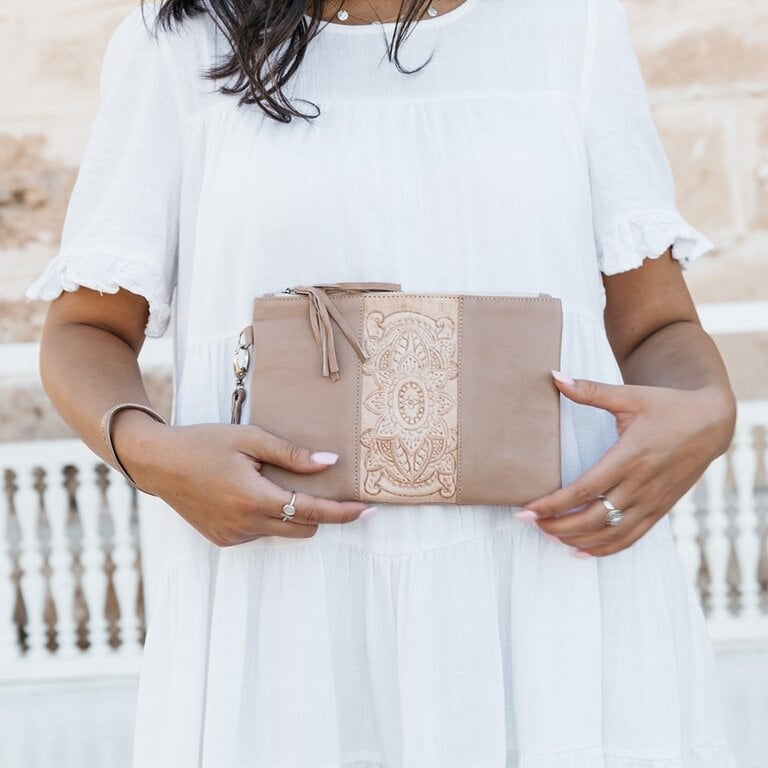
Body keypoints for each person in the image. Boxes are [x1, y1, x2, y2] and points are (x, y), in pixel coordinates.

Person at [26, 0, 740, 765]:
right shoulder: (176, 47)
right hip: (286, 602)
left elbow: (656, 328)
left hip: (550, 595)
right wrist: (150, 454)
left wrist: (706, 412)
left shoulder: (572, 26)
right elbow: (85, 331)